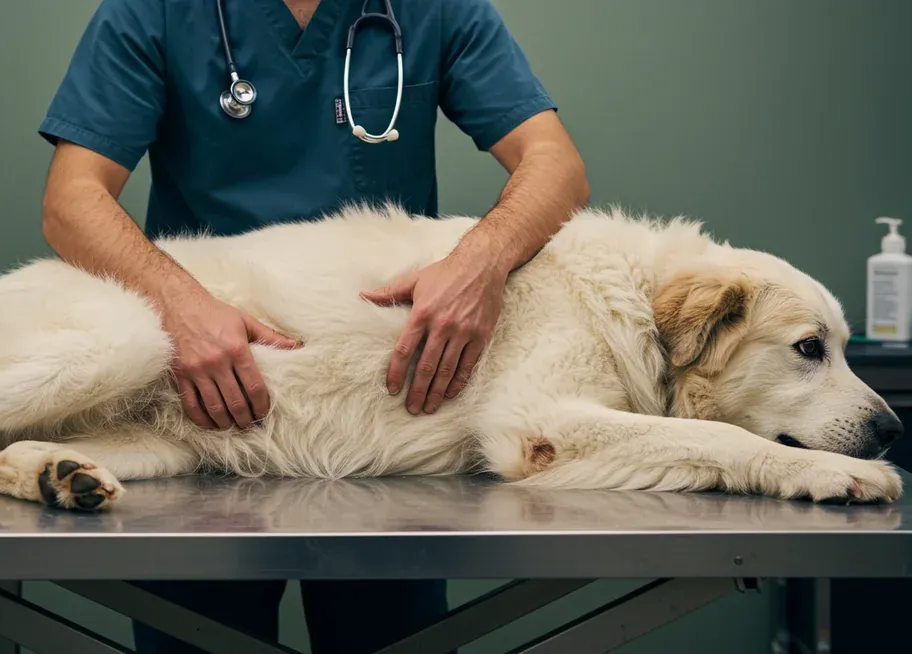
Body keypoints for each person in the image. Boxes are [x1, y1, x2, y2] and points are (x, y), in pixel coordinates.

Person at [36, 0, 589, 651]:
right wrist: (176, 304)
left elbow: (556, 164)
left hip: (383, 412)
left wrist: (481, 261)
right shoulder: (155, 12)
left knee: (390, 636)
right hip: (206, 400)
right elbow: (70, 202)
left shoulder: (434, 10)